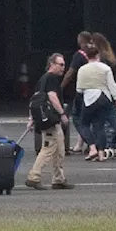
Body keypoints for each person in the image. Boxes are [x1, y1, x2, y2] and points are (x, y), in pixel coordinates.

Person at [26, 54, 75, 191]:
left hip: (45, 119)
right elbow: (52, 97)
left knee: (59, 149)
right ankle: (33, 177)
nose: (63, 68)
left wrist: (31, 118)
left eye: (64, 65)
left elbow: (34, 100)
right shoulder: (52, 78)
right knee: (48, 148)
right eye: (61, 64)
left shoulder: (42, 79)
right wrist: (62, 114)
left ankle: (58, 179)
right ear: (52, 64)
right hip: (51, 120)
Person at [77, 40, 116, 161]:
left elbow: (79, 89)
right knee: (99, 126)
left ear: (87, 56)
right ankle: (101, 154)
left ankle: (92, 148)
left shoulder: (82, 69)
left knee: (84, 124)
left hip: (90, 98)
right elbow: (112, 85)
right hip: (104, 97)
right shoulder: (106, 68)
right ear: (98, 55)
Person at [62, 31, 94, 154]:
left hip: (83, 90)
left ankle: (91, 142)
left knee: (77, 117)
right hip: (97, 90)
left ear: (80, 41)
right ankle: (80, 144)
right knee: (89, 118)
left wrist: (61, 87)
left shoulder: (79, 55)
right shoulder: (96, 53)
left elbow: (70, 73)